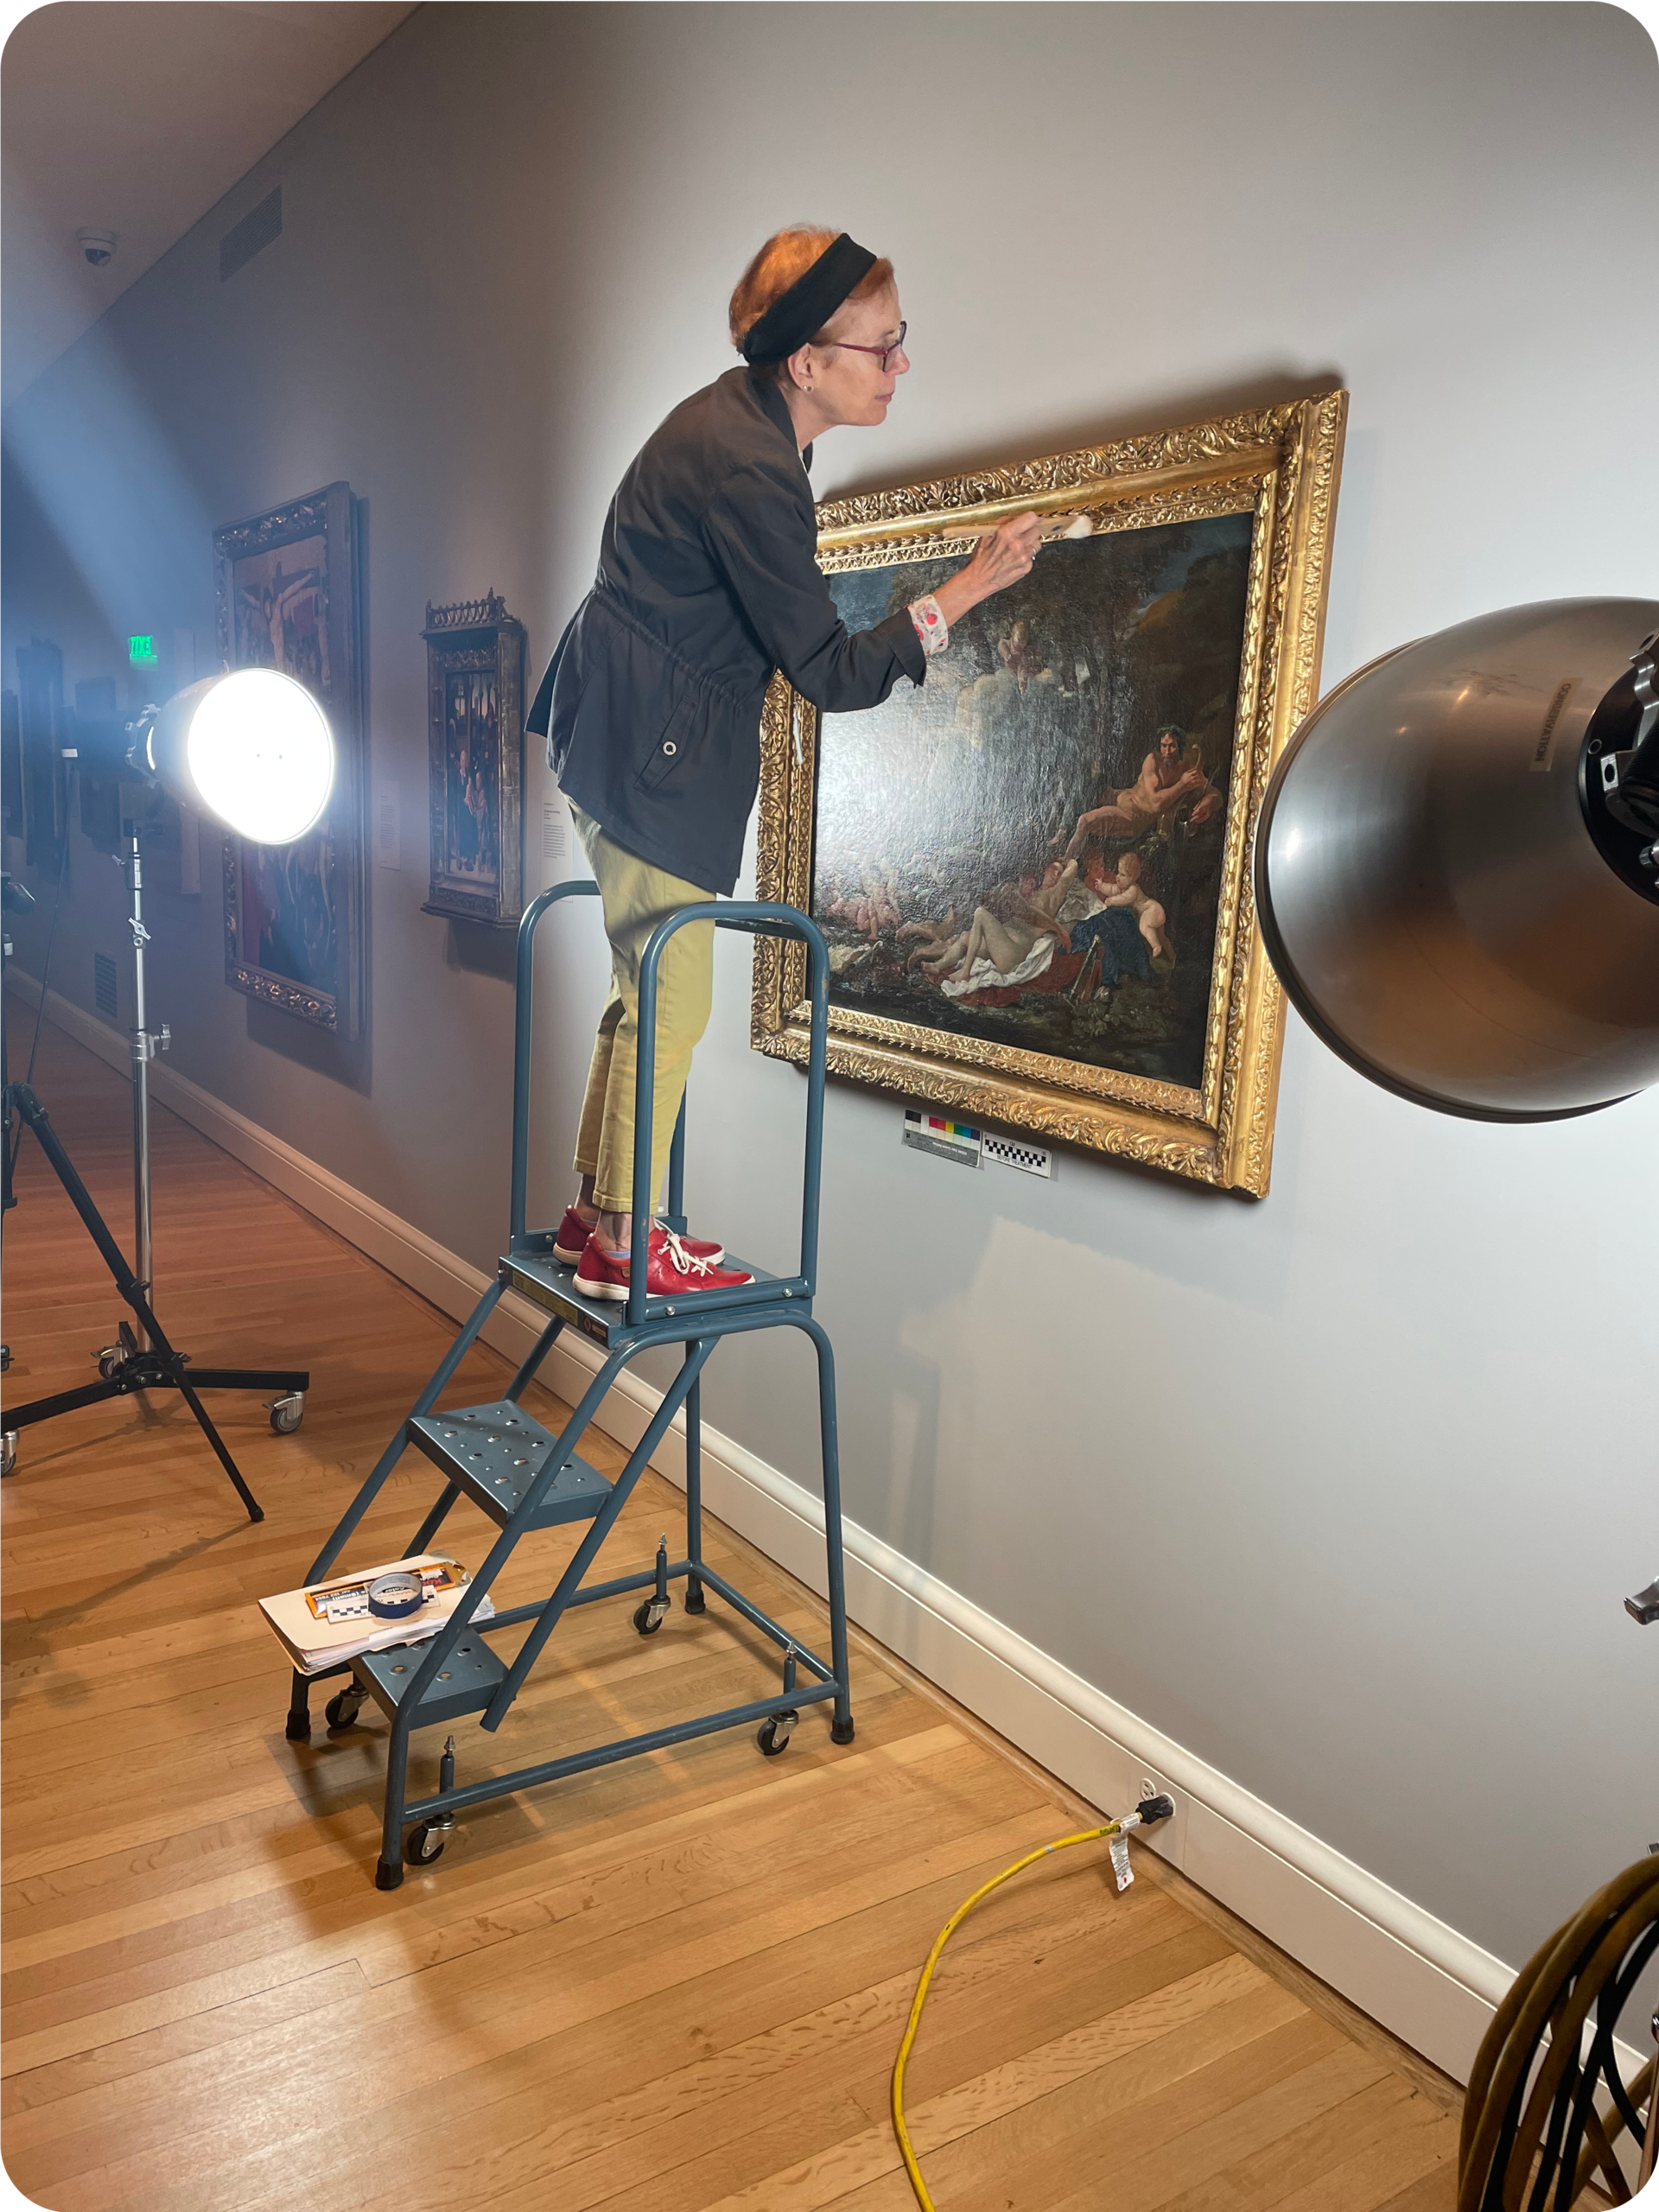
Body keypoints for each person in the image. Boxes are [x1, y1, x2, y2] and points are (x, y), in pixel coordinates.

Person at [526, 227, 1045, 1302]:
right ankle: (623, 1238)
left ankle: (596, 1216)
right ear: (806, 361)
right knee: (672, 1000)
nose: (900, 363)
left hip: (616, 731)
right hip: (652, 753)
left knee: (640, 988)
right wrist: (967, 588)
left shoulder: (746, 423)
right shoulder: (752, 465)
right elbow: (829, 673)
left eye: (900, 339)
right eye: (882, 346)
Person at [1061, 725, 1217, 855]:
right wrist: (1183, 785)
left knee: (1085, 820)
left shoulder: (1188, 772)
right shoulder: (1153, 759)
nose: (1167, 751)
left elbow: (1155, 804)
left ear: (1181, 748)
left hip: (1131, 816)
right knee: (1085, 783)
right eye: (1164, 746)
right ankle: (1061, 830)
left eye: (1172, 746)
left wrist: (1208, 802)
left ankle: (1066, 861)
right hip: (1121, 795)